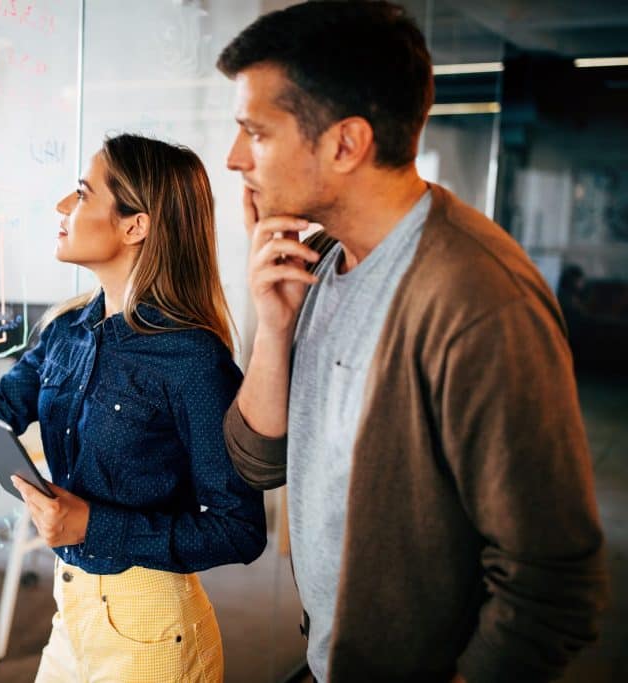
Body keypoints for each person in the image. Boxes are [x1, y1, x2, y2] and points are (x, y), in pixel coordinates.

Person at [217, 3, 608, 682]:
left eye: (256, 132)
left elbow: (553, 586)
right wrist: (274, 328)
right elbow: (257, 462)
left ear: (345, 143)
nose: (234, 158)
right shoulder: (324, 261)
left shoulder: (477, 301)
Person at [0, 133, 266, 681]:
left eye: (81, 193)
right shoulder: (65, 332)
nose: (61, 207)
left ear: (135, 225)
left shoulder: (191, 357)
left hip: (151, 628)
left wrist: (93, 525)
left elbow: (239, 530)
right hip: (71, 610)